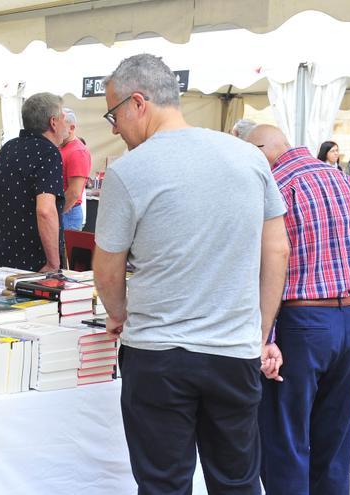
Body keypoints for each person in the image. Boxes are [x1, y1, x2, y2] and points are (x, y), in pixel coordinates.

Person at [92, 54, 289, 494]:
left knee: (164, 484)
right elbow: (277, 249)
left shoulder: (128, 171)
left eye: (113, 113)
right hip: (233, 352)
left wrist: (120, 312)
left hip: (158, 353)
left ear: (138, 102)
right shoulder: (248, 157)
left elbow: (107, 268)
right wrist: (258, 331)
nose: (113, 128)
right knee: (237, 481)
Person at [247, 125, 350, 494]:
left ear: (259, 151)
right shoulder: (345, 182)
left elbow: (271, 265)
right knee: (335, 444)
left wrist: (265, 336)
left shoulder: (277, 187)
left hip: (303, 321)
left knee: (285, 439)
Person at [0, 92, 67, 272]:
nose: (66, 123)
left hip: (2, 263)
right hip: (35, 267)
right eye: (63, 117)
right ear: (53, 122)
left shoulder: (7, 149)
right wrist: (54, 264)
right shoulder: (49, 153)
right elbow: (45, 210)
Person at [59, 108, 92, 231]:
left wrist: (56, 212)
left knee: (63, 250)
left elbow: (74, 193)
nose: (55, 129)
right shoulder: (63, 147)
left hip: (68, 213)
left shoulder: (78, 152)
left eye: (60, 126)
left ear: (71, 128)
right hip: (65, 212)